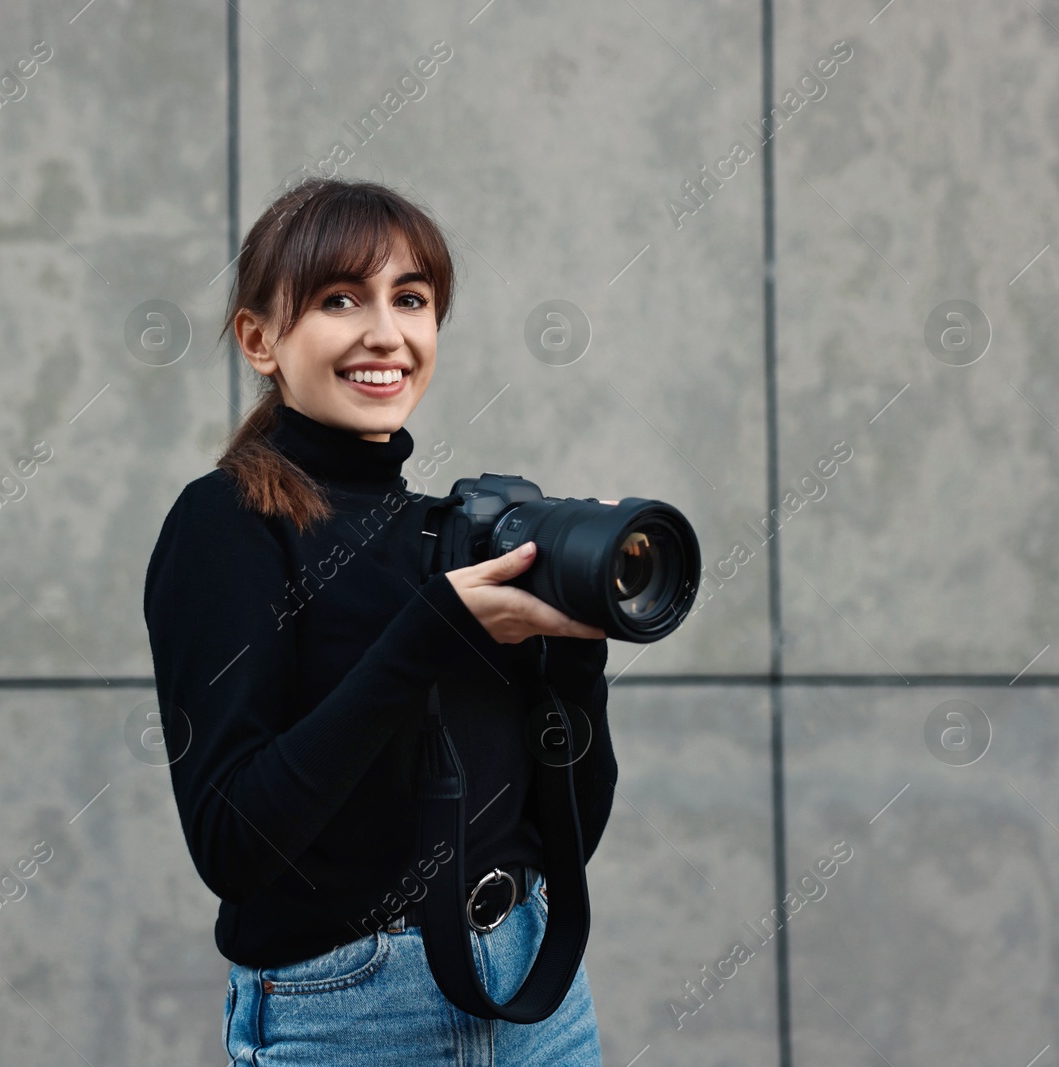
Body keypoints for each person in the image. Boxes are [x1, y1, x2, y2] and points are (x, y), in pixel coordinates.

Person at [143, 177, 617, 1065]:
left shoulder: (454, 536)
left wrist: (575, 661)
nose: (385, 333)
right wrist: (428, 634)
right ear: (260, 338)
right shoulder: (228, 525)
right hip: (351, 1011)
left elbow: (570, 831)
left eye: (411, 299)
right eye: (338, 300)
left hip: (535, 993)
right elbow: (231, 843)